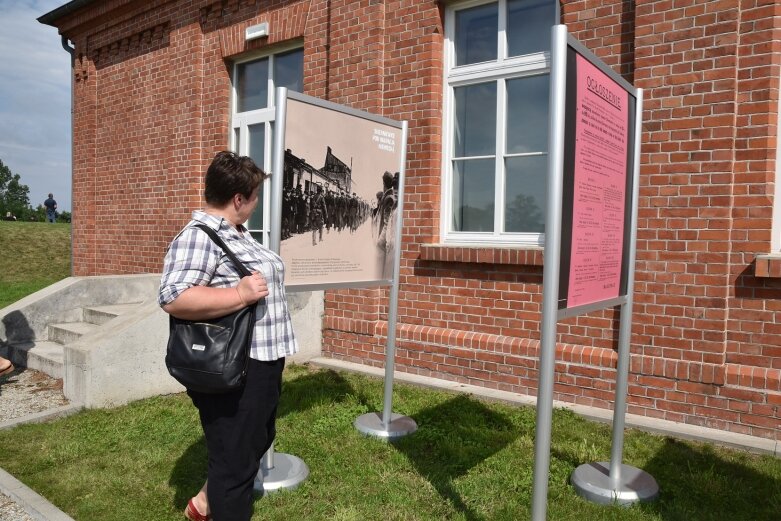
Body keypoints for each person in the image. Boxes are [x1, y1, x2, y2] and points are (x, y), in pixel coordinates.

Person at [159, 151, 298, 521]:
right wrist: (239, 294)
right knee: (234, 463)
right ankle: (219, 506)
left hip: (263, 359)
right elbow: (174, 296)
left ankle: (204, 502)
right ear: (239, 198)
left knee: (256, 438)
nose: (255, 204)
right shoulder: (199, 236)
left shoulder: (236, 231)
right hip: (236, 367)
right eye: (253, 197)